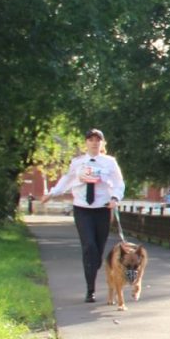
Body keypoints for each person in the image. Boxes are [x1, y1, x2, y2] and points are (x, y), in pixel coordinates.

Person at [43, 129, 125, 302]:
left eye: (98, 140)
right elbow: (66, 180)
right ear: (86, 142)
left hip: (102, 209)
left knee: (98, 248)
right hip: (82, 209)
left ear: (103, 143)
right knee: (89, 246)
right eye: (91, 139)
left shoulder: (110, 163)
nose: (94, 142)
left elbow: (119, 183)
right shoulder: (77, 162)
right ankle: (90, 290)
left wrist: (115, 198)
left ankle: (92, 268)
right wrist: (52, 193)